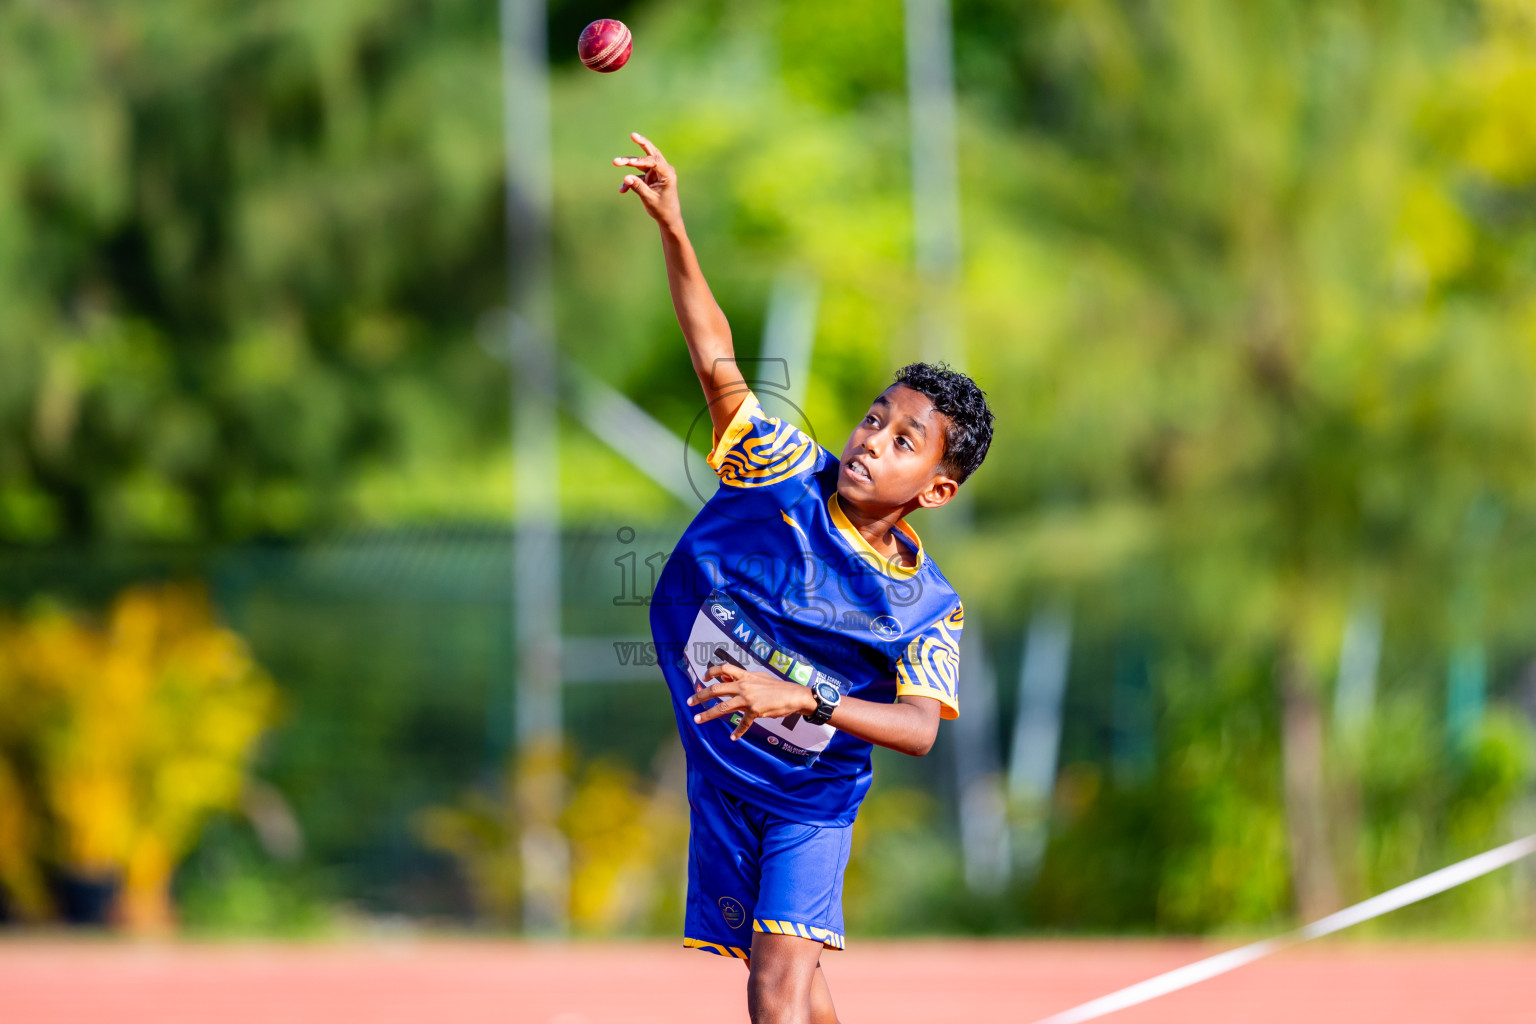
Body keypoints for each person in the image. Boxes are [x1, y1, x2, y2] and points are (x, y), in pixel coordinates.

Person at [615, 132, 994, 1024]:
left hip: (808, 800)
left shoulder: (927, 608)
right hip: (723, 770)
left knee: (774, 987)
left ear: (935, 490)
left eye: (905, 442)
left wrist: (803, 695)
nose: (871, 440)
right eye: (875, 418)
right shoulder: (780, 466)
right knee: (794, 977)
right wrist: (674, 224)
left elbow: (916, 730)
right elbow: (715, 356)